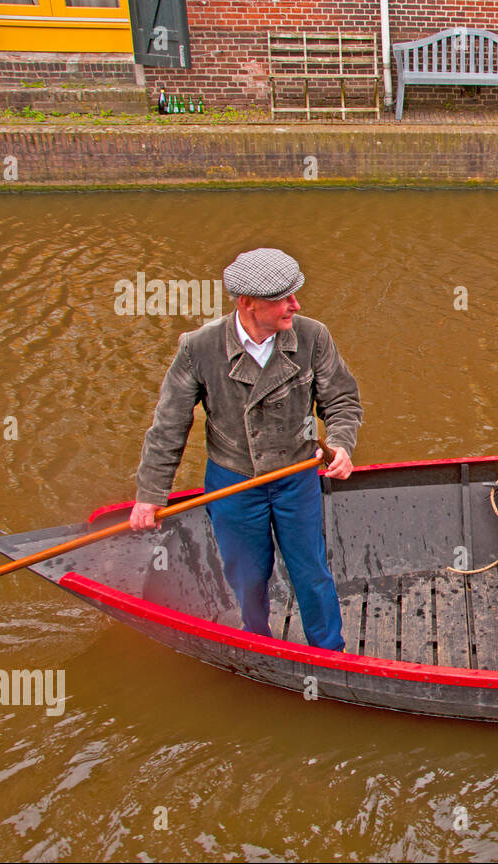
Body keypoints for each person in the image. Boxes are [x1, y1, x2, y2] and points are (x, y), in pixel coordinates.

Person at [130, 248, 363, 651]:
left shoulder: (312, 337)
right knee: (247, 573)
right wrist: (150, 496)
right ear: (246, 303)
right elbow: (169, 426)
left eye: (295, 294)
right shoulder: (198, 348)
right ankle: (258, 643)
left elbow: (341, 401)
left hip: (296, 476)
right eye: (283, 298)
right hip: (233, 481)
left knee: (310, 570)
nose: (296, 305)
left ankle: (329, 651)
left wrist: (340, 443)